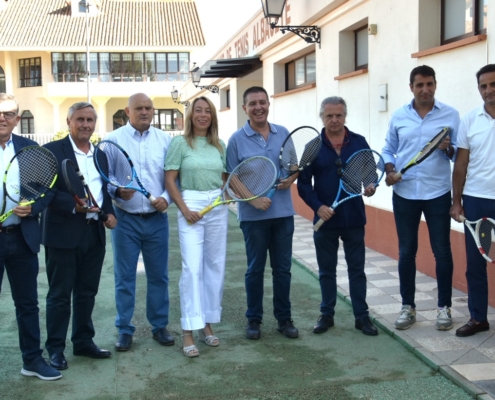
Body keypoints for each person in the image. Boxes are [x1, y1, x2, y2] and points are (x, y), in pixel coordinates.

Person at [382, 65, 460, 331]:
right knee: (406, 252)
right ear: (411, 87)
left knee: (442, 252)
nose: (425, 89)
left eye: (429, 84)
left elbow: (459, 155)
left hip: (437, 193)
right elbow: (388, 149)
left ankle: (444, 309)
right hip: (404, 193)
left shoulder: (451, 115)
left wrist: (449, 150)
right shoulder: (399, 116)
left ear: (435, 85)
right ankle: (408, 307)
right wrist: (389, 170)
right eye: (419, 85)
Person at [42, 102, 117, 370]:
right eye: (80, 119)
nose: (85, 124)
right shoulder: (51, 152)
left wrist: (108, 213)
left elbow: (103, 190)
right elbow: (42, 190)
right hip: (62, 235)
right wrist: (71, 205)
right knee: (60, 295)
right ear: (69, 122)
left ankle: (84, 342)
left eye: (90, 120)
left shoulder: (100, 155)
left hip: (93, 234)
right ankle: (55, 349)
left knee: (87, 293)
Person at [297, 97, 379, 336]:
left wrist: (371, 185)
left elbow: (370, 174)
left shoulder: (359, 142)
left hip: (353, 218)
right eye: (329, 116)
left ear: (345, 116)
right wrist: (318, 206)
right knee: (326, 270)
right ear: (322, 117)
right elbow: (303, 185)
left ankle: (361, 317)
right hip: (325, 220)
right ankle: (327, 314)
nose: (334, 120)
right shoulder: (312, 147)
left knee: (357, 270)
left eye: (339, 115)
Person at [226, 86, 299, 340]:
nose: (259, 107)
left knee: (283, 270)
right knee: (255, 269)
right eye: (253, 103)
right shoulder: (236, 139)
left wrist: (290, 180)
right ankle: (254, 320)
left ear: (268, 104)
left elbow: (293, 168)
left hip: (283, 215)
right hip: (253, 217)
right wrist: (254, 200)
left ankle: (284, 319)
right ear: (245, 108)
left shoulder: (283, 133)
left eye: (262, 102)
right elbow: (231, 178)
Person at [105, 93, 173, 351]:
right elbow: (106, 178)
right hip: (125, 220)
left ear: (153, 111)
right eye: (139, 108)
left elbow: (173, 179)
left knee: (159, 276)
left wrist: (166, 198)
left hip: (157, 220)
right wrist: (116, 192)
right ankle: (124, 329)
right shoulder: (112, 141)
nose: (145, 112)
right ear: (127, 111)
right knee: (124, 278)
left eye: (148, 108)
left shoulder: (165, 141)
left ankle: (159, 326)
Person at [0, 93, 61, 380]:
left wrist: (33, 207)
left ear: (17, 118)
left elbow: (46, 188)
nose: (2, 117)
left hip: (22, 238)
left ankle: (32, 361)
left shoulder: (29, 148)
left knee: (27, 304)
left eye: (8, 113)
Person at [165, 97, 228, 357]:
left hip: (217, 206)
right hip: (189, 202)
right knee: (192, 269)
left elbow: (225, 179)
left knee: (215, 266)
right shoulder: (179, 143)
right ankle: (188, 331)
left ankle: (207, 325)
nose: (203, 115)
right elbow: (170, 181)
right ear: (190, 115)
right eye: (198, 111)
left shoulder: (219, 145)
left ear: (212, 116)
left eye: (207, 112)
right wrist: (184, 209)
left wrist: (225, 197)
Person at [450, 64, 495, 337]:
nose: (489, 90)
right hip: (477, 201)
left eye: (493, 84)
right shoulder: (469, 120)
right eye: (484, 86)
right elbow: (460, 165)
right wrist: (457, 202)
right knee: (477, 263)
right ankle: (478, 317)